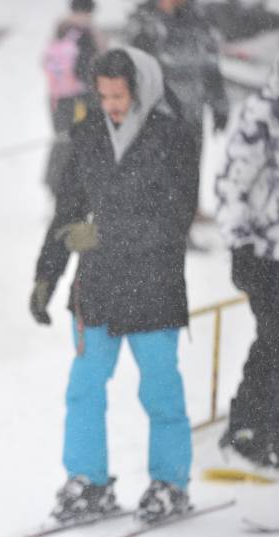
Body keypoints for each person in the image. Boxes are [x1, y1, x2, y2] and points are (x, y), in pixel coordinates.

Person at [30, 47, 198, 523]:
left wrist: (107, 233)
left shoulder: (173, 137)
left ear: (141, 88)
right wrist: (45, 276)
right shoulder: (86, 136)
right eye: (103, 95)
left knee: (161, 392)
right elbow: (66, 215)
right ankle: (88, 481)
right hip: (98, 290)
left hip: (154, 288)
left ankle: (170, 483)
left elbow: (176, 218)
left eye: (119, 95)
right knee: (84, 390)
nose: (112, 105)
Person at [213, 57, 279, 477]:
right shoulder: (265, 113)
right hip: (265, 253)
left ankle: (263, 429)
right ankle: (247, 430)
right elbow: (231, 182)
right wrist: (239, 244)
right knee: (274, 340)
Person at [127, 0, 229, 232]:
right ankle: (165, 228)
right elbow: (131, 68)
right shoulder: (146, 21)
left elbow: (211, 64)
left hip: (192, 111)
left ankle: (187, 217)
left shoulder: (197, 20)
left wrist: (220, 106)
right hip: (158, 114)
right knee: (160, 171)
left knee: (189, 167)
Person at [42, 0, 104, 197]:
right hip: (81, 99)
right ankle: (69, 188)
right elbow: (91, 68)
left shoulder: (61, 30)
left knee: (63, 139)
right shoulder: (86, 32)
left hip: (58, 99)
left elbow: (45, 63)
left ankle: (54, 184)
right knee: (80, 140)